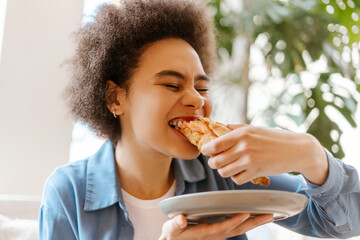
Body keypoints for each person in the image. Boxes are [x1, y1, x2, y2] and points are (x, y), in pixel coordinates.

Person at [39, 0, 360, 239]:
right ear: (115, 98)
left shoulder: (226, 173)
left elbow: (342, 221)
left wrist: (311, 156)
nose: (197, 99)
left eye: (202, 86)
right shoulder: (69, 193)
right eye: (171, 84)